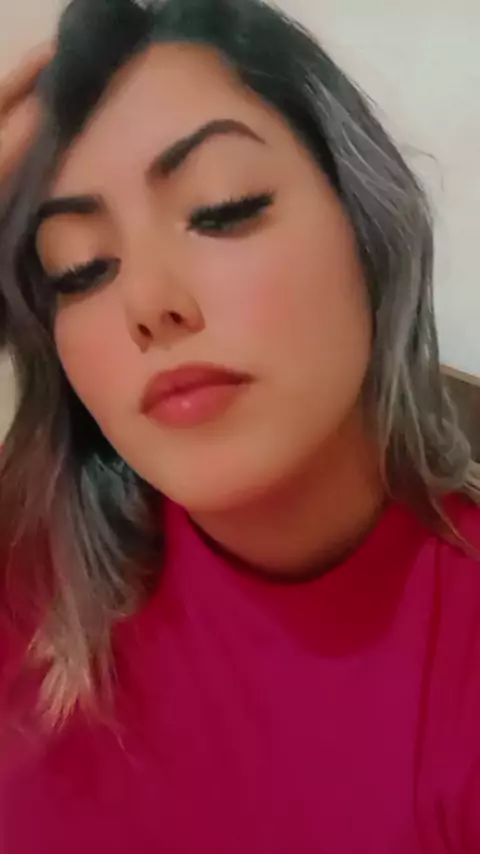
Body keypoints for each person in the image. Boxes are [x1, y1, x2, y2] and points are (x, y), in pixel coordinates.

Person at [0, 0, 479, 850]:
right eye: (81, 269)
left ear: (367, 228)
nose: (150, 302)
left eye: (221, 209)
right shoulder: (30, 577)